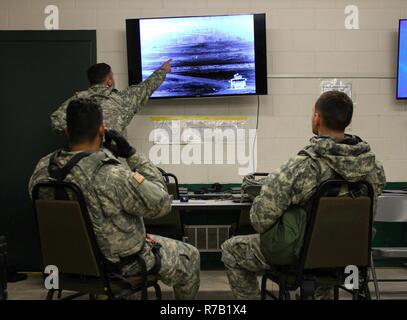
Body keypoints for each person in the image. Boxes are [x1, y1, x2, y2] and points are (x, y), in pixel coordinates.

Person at [221, 90, 386, 300]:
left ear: (317, 117)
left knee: (232, 250)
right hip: (349, 257)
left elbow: (259, 219)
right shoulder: (374, 169)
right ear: (349, 120)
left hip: (302, 260)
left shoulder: (302, 167)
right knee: (324, 253)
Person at [30, 98, 200, 300]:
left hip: (65, 266)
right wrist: (131, 154)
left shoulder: (43, 169)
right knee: (190, 256)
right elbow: (161, 203)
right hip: (119, 267)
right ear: (102, 131)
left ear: (67, 131)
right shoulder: (112, 174)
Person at [50, 60, 172, 134]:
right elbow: (146, 87)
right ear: (109, 81)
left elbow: (56, 120)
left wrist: (77, 134)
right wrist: (163, 70)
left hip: (81, 162)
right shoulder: (122, 100)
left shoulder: (76, 100)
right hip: (112, 165)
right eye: (112, 76)